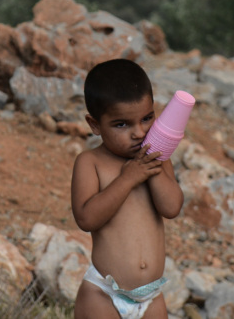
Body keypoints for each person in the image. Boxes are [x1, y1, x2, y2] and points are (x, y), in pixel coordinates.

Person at [71, 58, 184, 319]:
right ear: (95, 125)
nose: (139, 132)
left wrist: (149, 170)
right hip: (103, 294)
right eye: (122, 124)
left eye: (147, 118)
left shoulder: (159, 158)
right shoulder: (91, 162)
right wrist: (128, 178)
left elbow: (171, 207)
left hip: (151, 297)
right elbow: (86, 218)